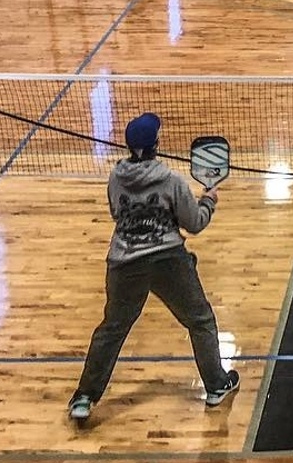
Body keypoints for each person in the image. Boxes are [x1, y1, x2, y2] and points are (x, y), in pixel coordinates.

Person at [67, 113, 239, 421]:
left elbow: (115, 212)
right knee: (200, 320)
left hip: (123, 261)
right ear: (156, 145)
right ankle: (216, 385)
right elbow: (195, 223)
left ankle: (84, 397)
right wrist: (209, 200)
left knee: (112, 329)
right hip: (167, 260)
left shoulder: (116, 178)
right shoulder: (171, 181)